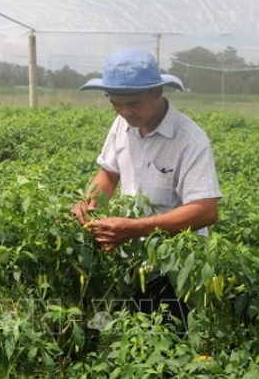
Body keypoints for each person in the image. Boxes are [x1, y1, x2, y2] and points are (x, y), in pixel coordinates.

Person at [71, 48, 222, 330]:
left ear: (158, 92)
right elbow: (108, 173)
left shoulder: (190, 139)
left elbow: (206, 210)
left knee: (169, 341)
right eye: (116, 104)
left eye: (134, 103)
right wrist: (88, 203)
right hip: (130, 256)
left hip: (176, 265)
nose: (125, 112)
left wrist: (135, 228)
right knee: (126, 335)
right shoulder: (122, 124)